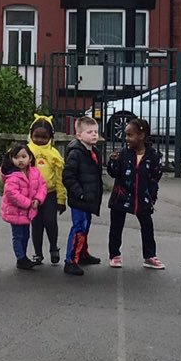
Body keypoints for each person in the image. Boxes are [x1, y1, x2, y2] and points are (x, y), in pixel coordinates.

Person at [107, 118, 165, 270]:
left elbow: (155, 178)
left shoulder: (153, 157)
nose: (126, 138)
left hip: (142, 198)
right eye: (125, 135)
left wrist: (152, 196)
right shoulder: (122, 154)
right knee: (116, 226)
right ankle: (114, 254)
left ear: (142, 136)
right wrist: (112, 162)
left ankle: (149, 256)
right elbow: (113, 173)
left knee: (147, 226)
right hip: (121, 196)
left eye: (130, 135)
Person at [62, 117, 105, 276]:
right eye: (89, 132)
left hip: (89, 198)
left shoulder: (94, 152)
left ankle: (82, 254)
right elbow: (68, 177)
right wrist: (79, 193)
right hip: (80, 199)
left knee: (85, 226)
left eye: (96, 131)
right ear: (79, 135)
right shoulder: (76, 153)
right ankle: (71, 260)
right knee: (79, 227)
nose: (94, 135)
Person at [1, 144, 47, 270]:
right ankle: (20, 258)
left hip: (28, 212)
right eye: (16, 157)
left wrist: (38, 199)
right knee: (18, 235)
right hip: (15, 212)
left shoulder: (35, 172)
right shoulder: (12, 176)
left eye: (23, 156)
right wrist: (28, 203)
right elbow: (12, 194)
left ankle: (23, 256)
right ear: (11, 159)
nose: (20, 160)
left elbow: (42, 186)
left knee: (25, 235)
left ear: (30, 158)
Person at [28, 115, 66, 265]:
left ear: (51, 137)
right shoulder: (27, 151)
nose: (39, 140)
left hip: (50, 194)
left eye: (44, 137)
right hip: (32, 196)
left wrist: (61, 199)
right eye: (36, 136)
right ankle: (38, 253)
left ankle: (53, 248)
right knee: (36, 225)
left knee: (50, 222)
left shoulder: (54, 154)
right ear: (31, 134)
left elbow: (59, 178)